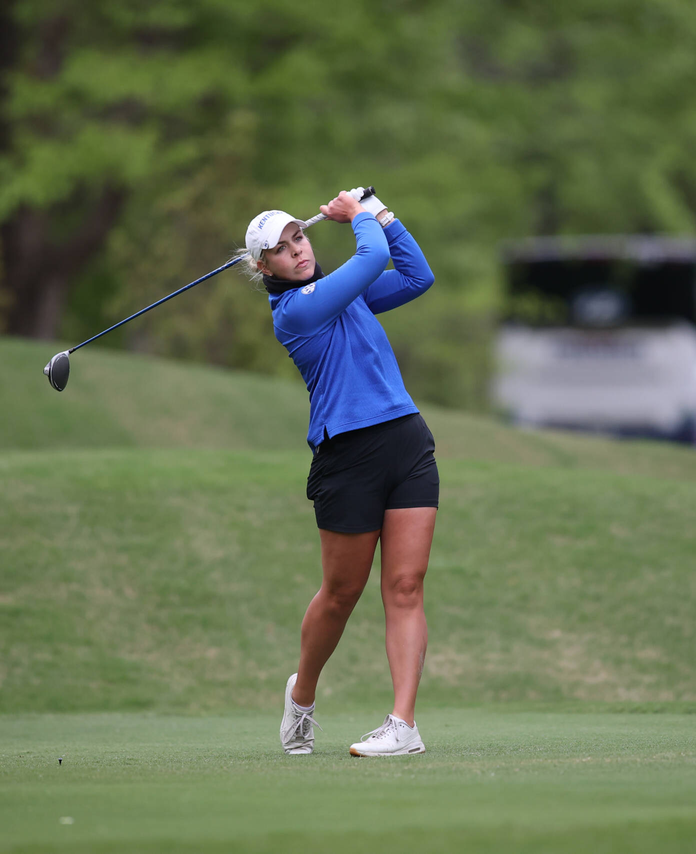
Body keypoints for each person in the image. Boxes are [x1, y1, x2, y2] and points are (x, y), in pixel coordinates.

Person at [241, 189, 437, 757]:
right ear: (265, 267)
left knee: (405, 586)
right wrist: (361, 216)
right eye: (280, 249)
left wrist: (385, 216)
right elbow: (372, 259)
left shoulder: (343, 294)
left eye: (298, 237)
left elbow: (417, 276)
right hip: (347, 456)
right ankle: (301, 697)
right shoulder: (297, 311)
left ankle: (403, 724)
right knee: (341, 593)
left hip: (405, 439)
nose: (297, 251)